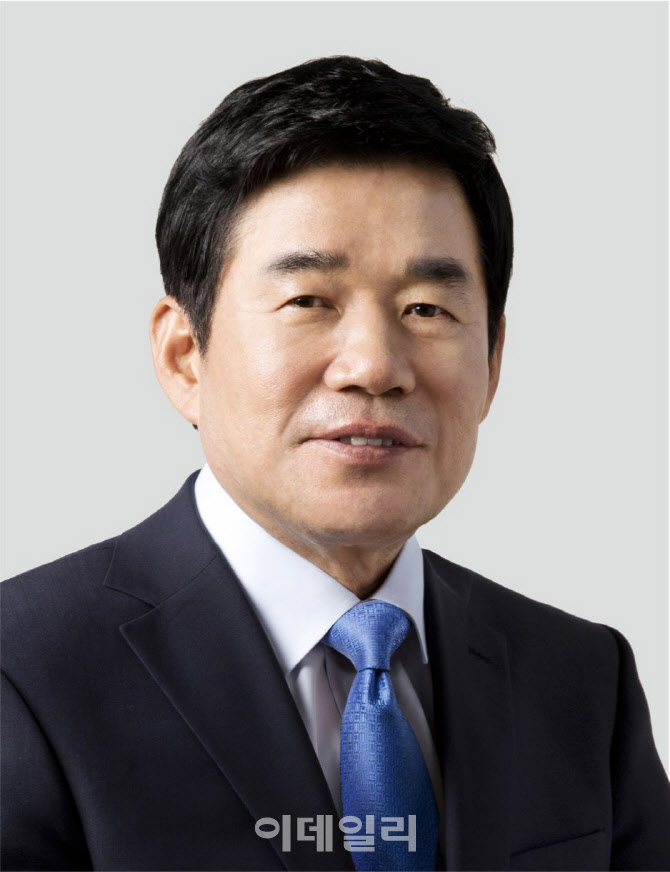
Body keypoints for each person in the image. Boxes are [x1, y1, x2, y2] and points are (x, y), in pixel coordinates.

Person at [2, 55, 669, 872]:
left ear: (493, 363)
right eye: (309, 302)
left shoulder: (582, 682)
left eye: (427, 309)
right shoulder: (23, 674)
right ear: (184, 357)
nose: (374, 365)